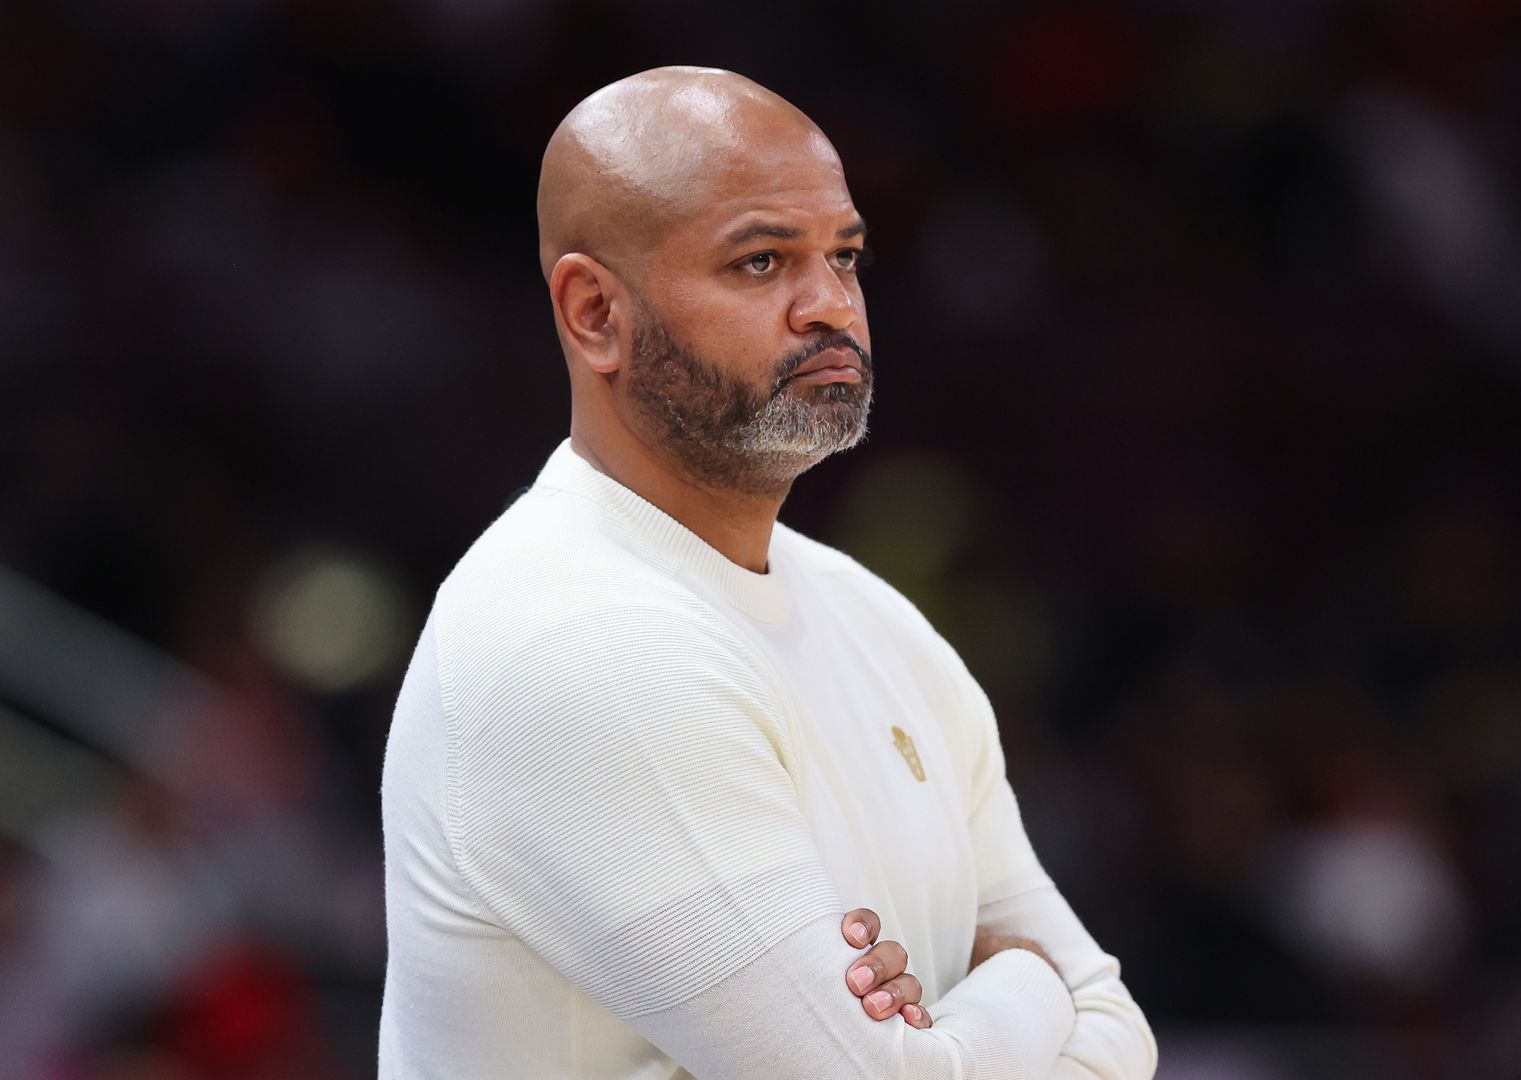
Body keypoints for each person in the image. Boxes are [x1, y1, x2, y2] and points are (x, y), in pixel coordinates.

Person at [378, 66, 1156, 1078]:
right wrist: (1028, 986)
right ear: (594, 312)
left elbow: (1121, 1031)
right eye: (760, 263)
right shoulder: (580, 638)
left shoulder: (881, 625)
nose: (829, 305)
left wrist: (981, 1023)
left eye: (846, 255)